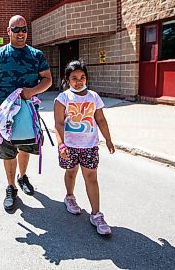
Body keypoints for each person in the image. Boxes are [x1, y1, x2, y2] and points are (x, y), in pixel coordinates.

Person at [0, 15, 52, 211]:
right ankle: (11, 186)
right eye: (16, 30)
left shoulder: (36, 55)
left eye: (24, 30)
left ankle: (22, 178)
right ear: (8, 31)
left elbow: (47, 79)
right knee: (7, 151)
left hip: (28, 111)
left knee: (25, 146)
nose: (20, 33)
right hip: (4, 113)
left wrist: (32, 92)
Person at [54, 60, 115, 235]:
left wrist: (108, 139)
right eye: (74, 78)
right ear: (67, 80)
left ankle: (96, 215)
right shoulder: (63, 98)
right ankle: (70, 197)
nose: (79, 81)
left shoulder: (94, 97)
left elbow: (101, 120)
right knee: (71, 172)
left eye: (82, 77)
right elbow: (58, 124)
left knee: (92, 178)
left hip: (89, 145)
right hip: (69, 146)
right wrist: (61, 145)